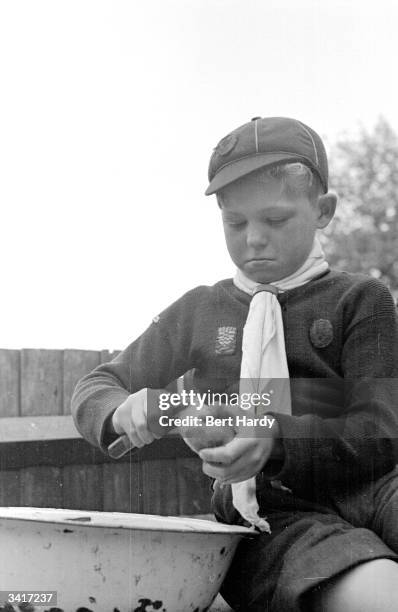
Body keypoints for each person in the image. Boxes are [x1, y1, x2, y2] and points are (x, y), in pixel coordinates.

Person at [71, 116, 398, 612]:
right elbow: (98, 384)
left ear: (323, 210)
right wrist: (133, 410)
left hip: (373, 485)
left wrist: (271, 431)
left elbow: (379, 426)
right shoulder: (199, 310)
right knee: (378, 594)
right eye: (236, 223)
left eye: (276, 219)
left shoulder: (361, 299)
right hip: (269, 512)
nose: (254, 239)